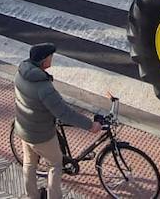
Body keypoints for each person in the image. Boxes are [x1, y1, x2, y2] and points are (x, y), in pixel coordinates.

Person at [15, 43, 100, 199]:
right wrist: (90, 125)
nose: (52, 59)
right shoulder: (43, 88)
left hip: (23, 127)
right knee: (55, 164)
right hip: (41, 135)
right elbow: (65, 113)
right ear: (43, 60)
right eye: (50, 57)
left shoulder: (21, 73)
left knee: (29, 163)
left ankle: (32, 196)